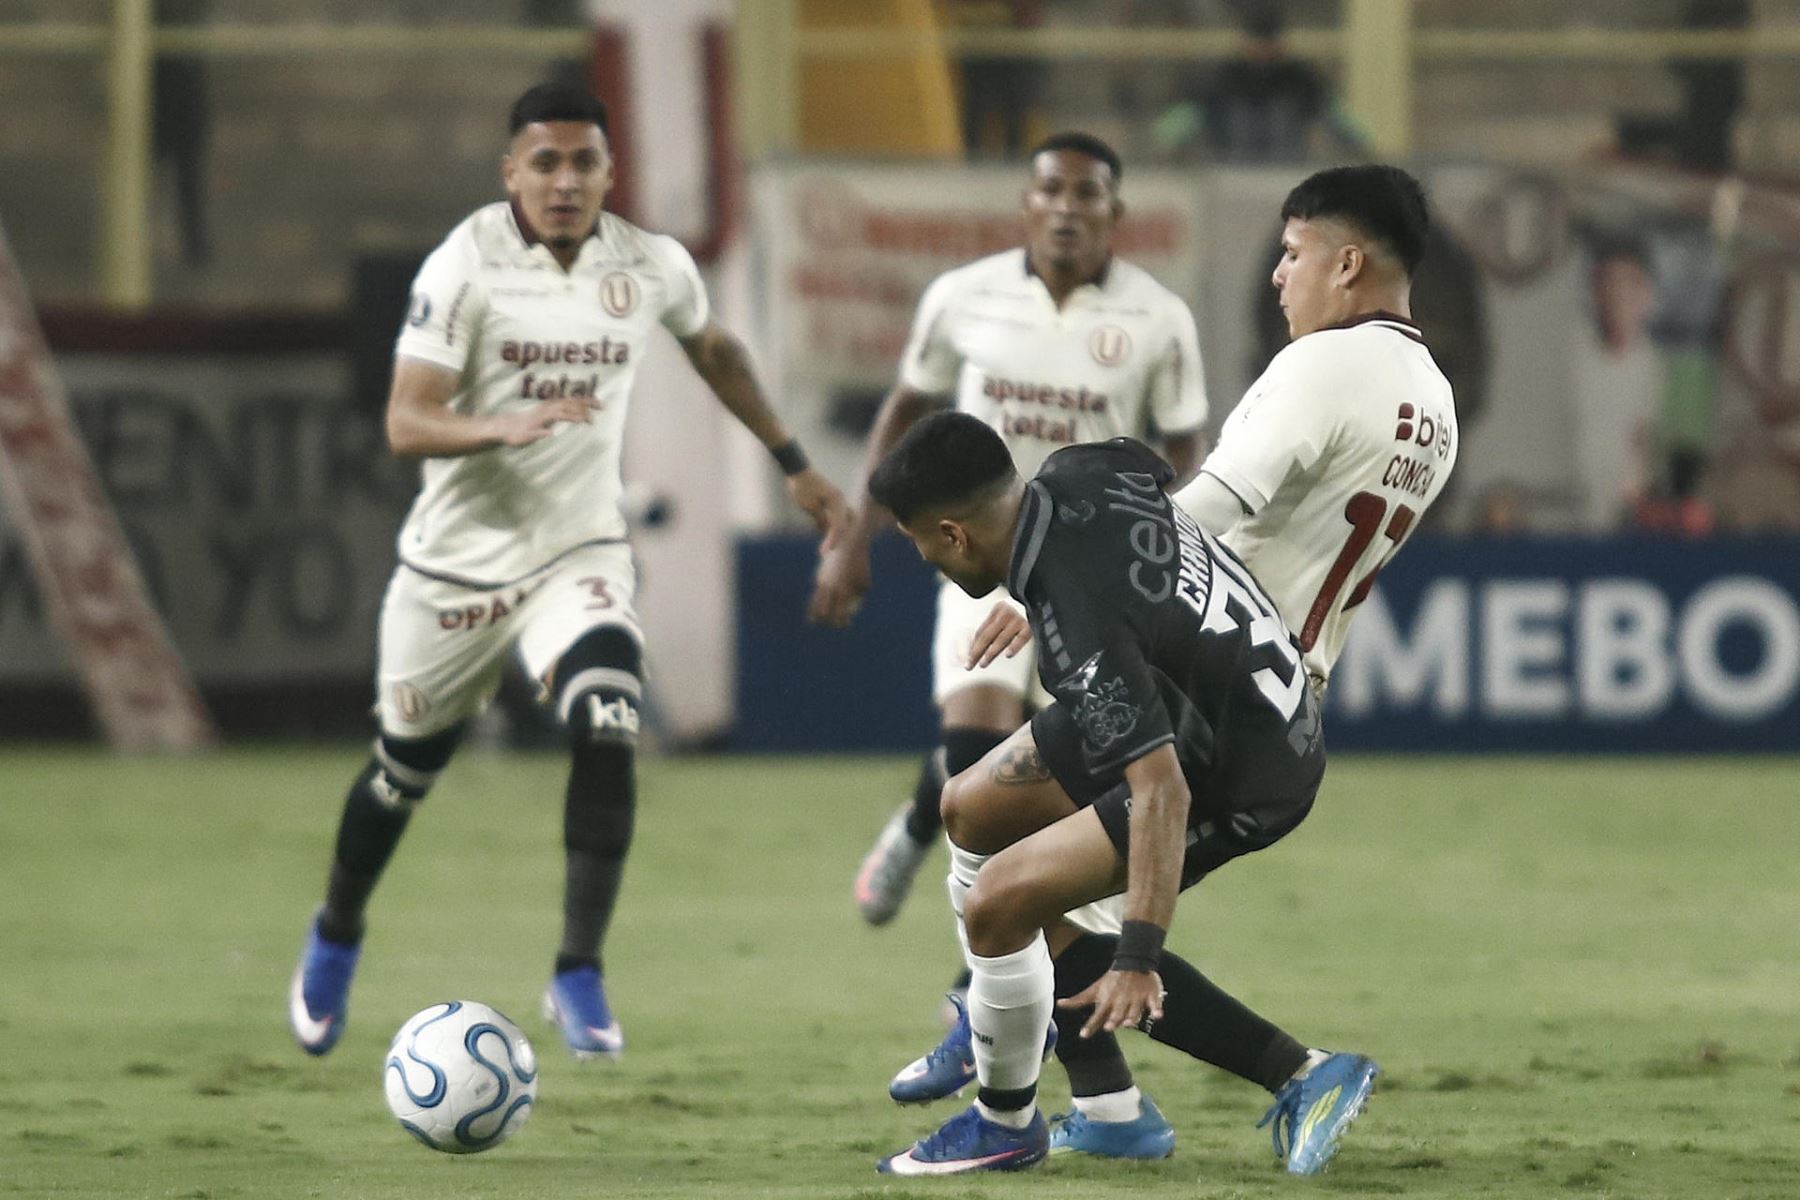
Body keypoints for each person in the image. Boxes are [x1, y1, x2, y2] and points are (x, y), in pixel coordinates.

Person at [885, 164, 1456, 1166]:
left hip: (1209, 688)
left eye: (1292, 253)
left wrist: (1062, 580)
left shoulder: (1324, 367)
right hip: (1265, 671)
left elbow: (1213, 503)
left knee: (1029, 905)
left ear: (1348, 261)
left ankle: (1282, 1070)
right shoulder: (1433, 401)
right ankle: (1091, 1099)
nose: (1279, 277)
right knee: (974, 813)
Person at [287, 82, 848, 1061]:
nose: (563, 181)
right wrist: (494, 425)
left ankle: (577, 970)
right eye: (543, 163)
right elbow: (404, 418)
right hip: (453, 571)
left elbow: (713, 347)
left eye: (583, 162)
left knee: (607, 722)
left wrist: (794, 462)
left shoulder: (651, 264)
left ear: (608, 173)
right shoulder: (464, 264)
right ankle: (336, 933)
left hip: (578, 556)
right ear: (510, 173)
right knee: (399, 776)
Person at [865, 413, 1372, 1176]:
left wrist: (1139, 954)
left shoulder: (1077, 621)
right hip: (1188, 696)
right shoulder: (1080, 468)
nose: (923, 556)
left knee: (1000, 905)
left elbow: (1161, 789)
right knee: (966, 807)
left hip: (1241, 767)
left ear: (955, 534)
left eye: (919, 541)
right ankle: (1074, 1078)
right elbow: (1153, 473)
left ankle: (1013, 1120)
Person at [810, 130, 1206, 945]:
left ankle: (976, 973)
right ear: (1026, 204)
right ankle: (932, 834)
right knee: (974, 747)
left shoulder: (1160, 319)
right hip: (979, 561)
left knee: (1033, 795)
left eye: (1086, 193)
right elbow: (905, 409)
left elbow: (1184, 453)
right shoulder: (962, 296)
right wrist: (855, 533)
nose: (1067, 207)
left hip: (1089, 573)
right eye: (1051, 190)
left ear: (1115, 210)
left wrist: (1167, 561)